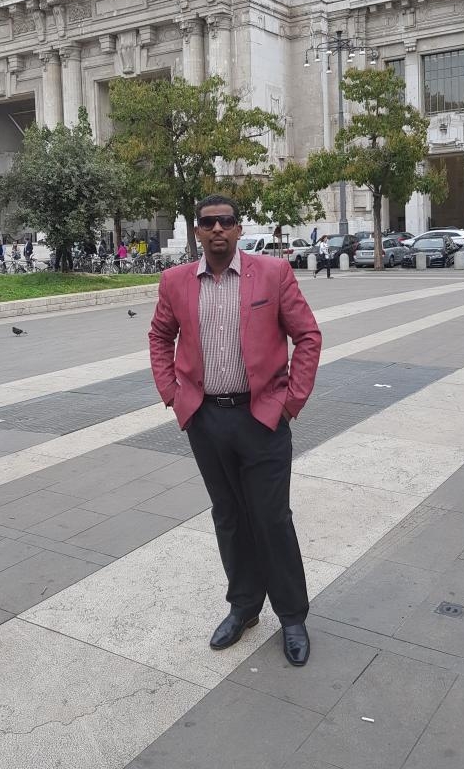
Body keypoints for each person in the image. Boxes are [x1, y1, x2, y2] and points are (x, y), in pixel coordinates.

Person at [149, 194, 322, 667]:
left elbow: (307, 335)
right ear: (198, 231)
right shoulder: (176, 281)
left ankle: (292, 616)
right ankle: (244, 606)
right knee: (228, 516)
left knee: (271, 519)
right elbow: (160, 336)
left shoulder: (273, 273)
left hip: (263, 417)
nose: (218, 229)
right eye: (208, 222)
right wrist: (172, 393)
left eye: (226, 221)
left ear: (239, 228)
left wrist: (291, 401)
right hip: (206, 420)